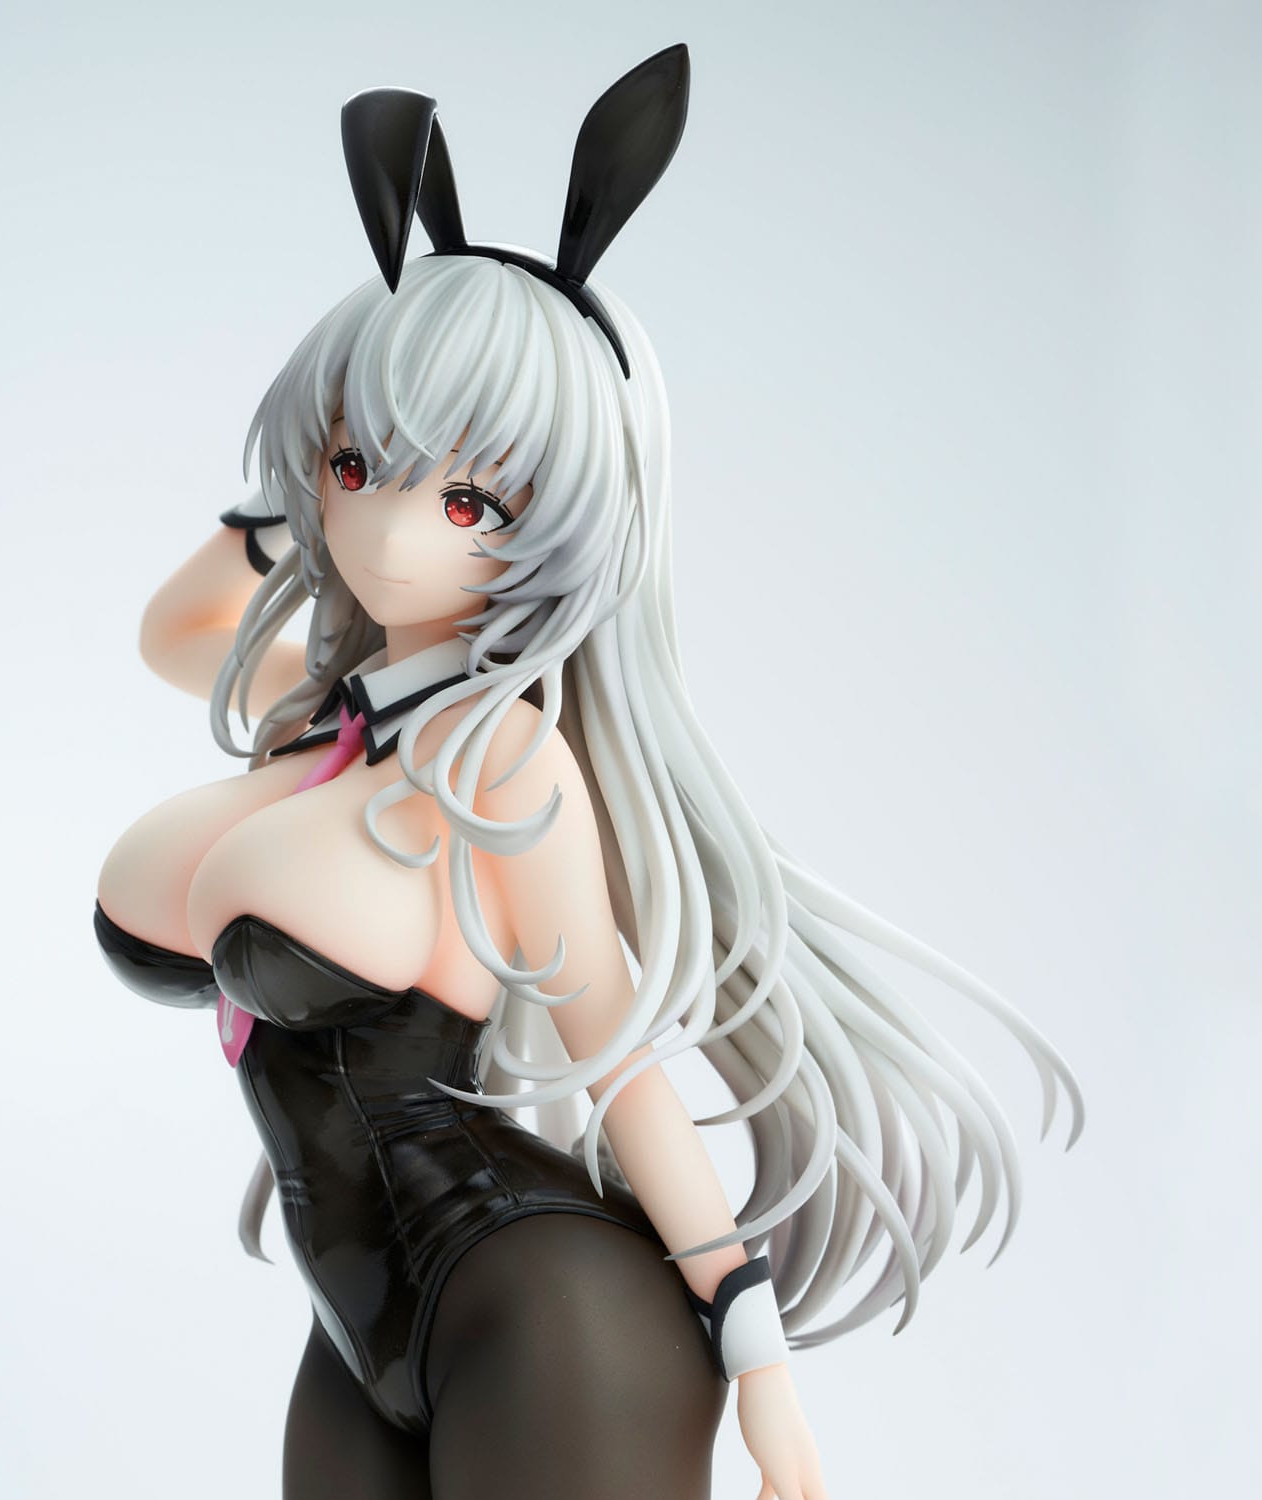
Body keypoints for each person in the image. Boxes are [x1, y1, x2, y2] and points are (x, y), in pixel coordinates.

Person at [94, 45, 1083, 1500]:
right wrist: (322, 447)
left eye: (469, 494)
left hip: (543, 1306)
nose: (390, 529)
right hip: (355, 1336)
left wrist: (761, 1364)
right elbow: (174, 631)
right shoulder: (321, 726)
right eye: (362, 465)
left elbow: (619, 1062)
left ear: (560, 517)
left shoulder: (499, 758)